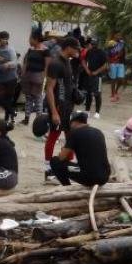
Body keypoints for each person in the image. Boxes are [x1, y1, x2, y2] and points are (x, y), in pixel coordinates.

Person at [44, 36, 81, 178]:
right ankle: (48, 169)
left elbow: (66, 85)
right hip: (58, 107)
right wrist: (54, 112)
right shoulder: (55, 63)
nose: (78, 51)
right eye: (76, 48)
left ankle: (68, 166)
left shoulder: (67, 62)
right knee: (54, 136)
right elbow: (49, 88)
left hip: (68, 106)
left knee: (71, 136)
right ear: (68, 48)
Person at [49, 112, 110, 187]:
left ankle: (67, 187)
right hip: (105, 177)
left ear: (75, 122)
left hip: (89, 178)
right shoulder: (98, 132)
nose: (70, 126)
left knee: (55, 161)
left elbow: (61, 157)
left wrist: (62, 151)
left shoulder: (74, 133)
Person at [19, 30, 48, 125]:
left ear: (36, 39)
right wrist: (23, 75)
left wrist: (43, 78)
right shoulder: (30, 50)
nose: (29, 40)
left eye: (30, 38)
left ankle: (38, 121)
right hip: (28, 76)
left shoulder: (46, 51)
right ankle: (26, 118)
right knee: (28, 98)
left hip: (38, 76)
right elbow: (26, 63)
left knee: (38, 99)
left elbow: (47, 66)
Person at [0, 31, 20, 124]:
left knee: (9, 98)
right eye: (2, 38)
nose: (4, 41)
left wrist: (6, 63)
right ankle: (12, 111)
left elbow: (15, 63)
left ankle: (8, 118)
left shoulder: (11, 50)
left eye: (6, 39)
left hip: (10, 78)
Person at [82, 37, 109, 118]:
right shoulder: (89, 51)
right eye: (92, 43)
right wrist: (87, 70)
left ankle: (97, 112)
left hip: (98, 76)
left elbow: (105, 65)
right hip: (89, 75)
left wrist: (96, 72)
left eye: (94, 43)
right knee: (88, 93)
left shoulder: (102, 52)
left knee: (97, 94)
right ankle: (87, 110)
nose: (93, 45)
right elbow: (84, 60)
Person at [107, 34, 126, 102]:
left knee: (121, 79)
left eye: (120, 35)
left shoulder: (122, 43)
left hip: (120, 63)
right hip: (112, 63)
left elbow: (123, 53)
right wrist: (108, 64)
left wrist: (118, 56)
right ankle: (113, 94)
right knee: (113, 79)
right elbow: (108, 54)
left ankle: (116, 91)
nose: (119, 36)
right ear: (114, 36)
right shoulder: (110, 43)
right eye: (117, 35)